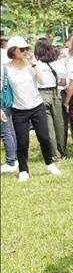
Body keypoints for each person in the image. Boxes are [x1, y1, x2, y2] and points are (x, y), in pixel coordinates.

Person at [5, 36, 61, 181]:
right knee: (23, 142)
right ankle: (23, 170)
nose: (26, 51)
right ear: (13, 51)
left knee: (44, 137)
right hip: (18, 110)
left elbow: (42, 80)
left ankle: (49, 163)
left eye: (27, 48)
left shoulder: (31, 64)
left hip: (37, 106)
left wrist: (34, 65)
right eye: (22, 49)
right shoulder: (5, 68)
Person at [35, 37, 68, 160]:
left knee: (49, 127)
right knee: (59, 124)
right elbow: (63, 82)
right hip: (55, 93)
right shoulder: (58, 64)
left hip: (41, 95)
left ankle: (55, 155)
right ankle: (62, 151)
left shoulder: (35, 65)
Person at [1, 40, 18, 174]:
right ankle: (15, 158)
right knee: (11, 130)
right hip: (10, 99)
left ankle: (11, 161)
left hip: (3, 100)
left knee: (5, 131)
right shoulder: (6, 57)